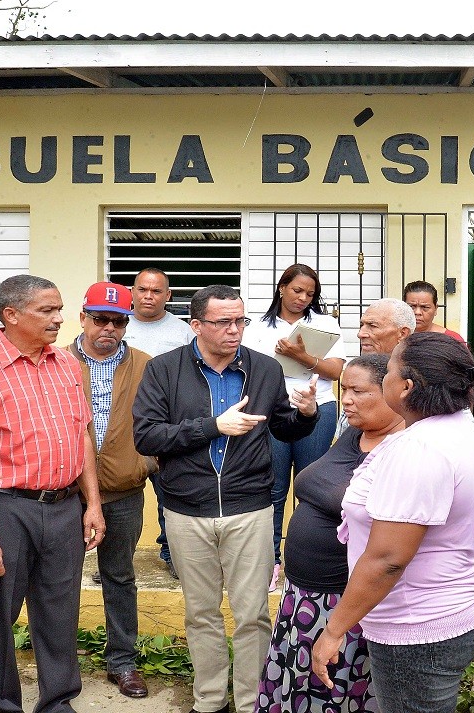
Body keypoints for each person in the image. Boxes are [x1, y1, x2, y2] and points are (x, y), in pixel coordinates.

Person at [133, 284, 318, 713]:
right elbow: (146, 435)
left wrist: (305, 414)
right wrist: (213, 426)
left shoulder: (265, 369)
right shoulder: (163, 370)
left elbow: (283, 427)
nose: (234, 331)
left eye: (240, 321)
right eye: (222, 322)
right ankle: (210, 700)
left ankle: (253, 701)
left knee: (253, 614)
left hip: (250, 507)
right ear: (196, 325)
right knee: (201, 614)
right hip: (185, 510)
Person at [312, 332, 474, 713]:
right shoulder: (458, 425)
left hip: (418, 625)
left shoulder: (421, 450)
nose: (385, 376)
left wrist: (333, 631)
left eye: (390, 369)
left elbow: (388, 559)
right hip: (452, 604)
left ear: (407, 387)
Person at [0, 275, 105, 713]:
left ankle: (57, 703)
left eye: (59, 310)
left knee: (59, 613)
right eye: (47, 311)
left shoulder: (68, 364)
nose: (59, 319)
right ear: (11, 315)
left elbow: (83, 437)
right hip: (2, 509)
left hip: (63, 508)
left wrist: (92, 503)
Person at [256, 354, 403, 713]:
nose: (346, 399)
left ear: (394, 394)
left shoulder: (402, 451)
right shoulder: (355, 431)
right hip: (302, 597)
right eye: (344, 389)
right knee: (296, 690)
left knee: (334, 693)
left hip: (343, 605)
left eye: (358, 391)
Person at [67, 282, 155, 699]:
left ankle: (122, 662)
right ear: (83, 317)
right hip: (64, 494)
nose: (109, 328)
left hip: (122, 492)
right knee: (57, 579)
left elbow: (164, 423)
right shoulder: (56, 363)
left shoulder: (145, 365)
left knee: (118, 576)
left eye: (119, 321)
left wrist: (145, 464)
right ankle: (60, 663)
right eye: (100, 319)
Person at [243, 264, 345, 586]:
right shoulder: (257, 326)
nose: (303, 298)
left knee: (310, 488)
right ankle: (271, 562)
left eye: (310, 294)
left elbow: (336, 372)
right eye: (297, 290)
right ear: (281, 288)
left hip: (317, 409)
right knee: (272, 487)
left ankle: (302, 563)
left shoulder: (325, 324)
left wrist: (301, 356)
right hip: (271, 412)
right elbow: (246, 369)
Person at [125, 268, 194, 580]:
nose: (148, 296)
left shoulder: (184, 333)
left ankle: (173, 555)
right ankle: (116, 560)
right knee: (121, 497)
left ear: (168, 295)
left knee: (172, 493)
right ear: (133, 292)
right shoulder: (117, 326)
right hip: (122, 425)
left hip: (168, 426)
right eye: (142, 289)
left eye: (156, 291)